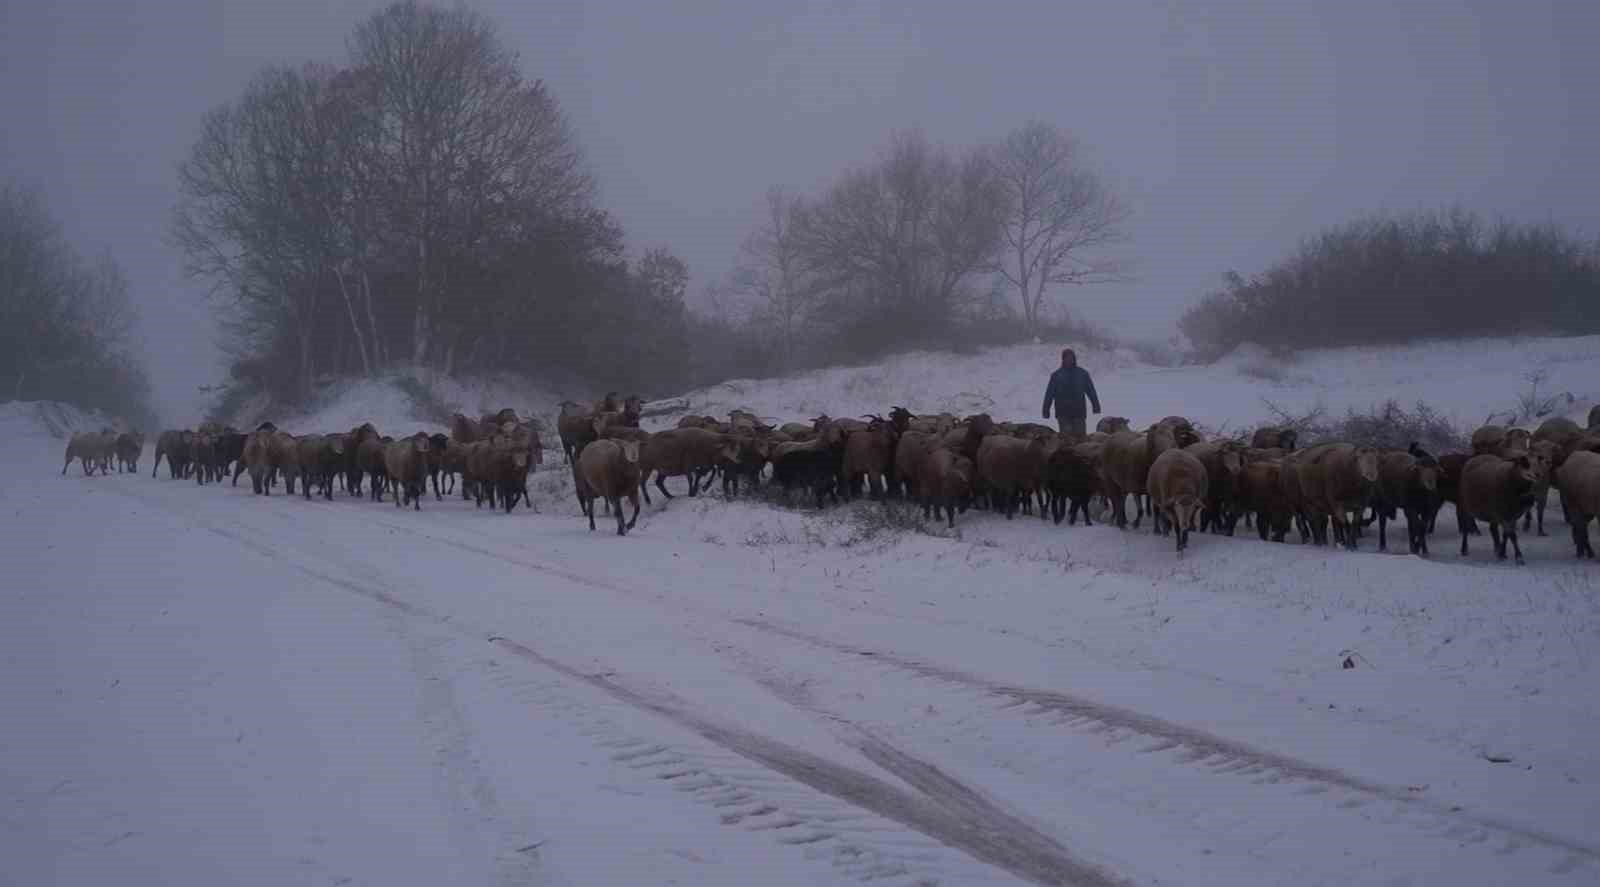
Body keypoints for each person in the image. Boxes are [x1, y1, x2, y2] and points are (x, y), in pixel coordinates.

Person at [1041, 348, 1100, 438]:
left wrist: (1096, 406)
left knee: (1081, 439)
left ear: (1074, 359)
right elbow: (1049, 394)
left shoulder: (1082, 374)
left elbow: (1091, 391)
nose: (1069, 360)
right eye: (1067, 358)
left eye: (1071, 357)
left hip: (1079, 412)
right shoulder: (1056, 375)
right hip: (1063, 413)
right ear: (1063, 359)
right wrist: (1046, 410)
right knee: (1066, 440)